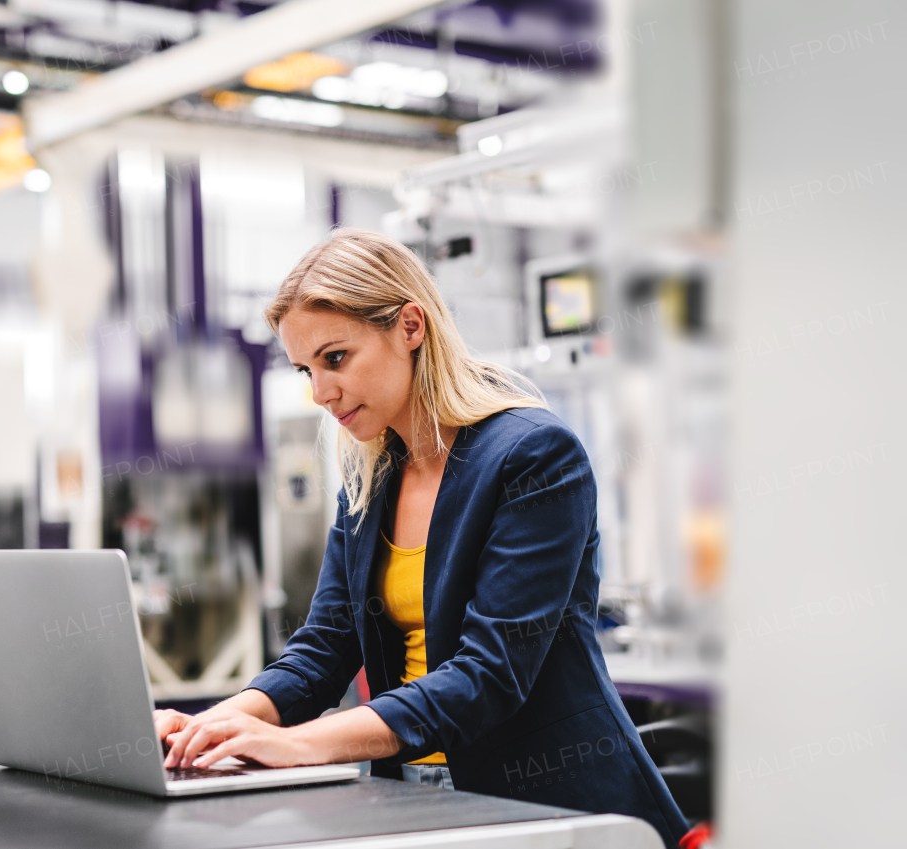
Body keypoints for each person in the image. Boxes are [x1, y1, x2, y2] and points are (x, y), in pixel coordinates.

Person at [154, 229, 690, 849]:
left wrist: (297, 745)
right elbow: (325, 648)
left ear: (410, 326)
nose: (320, 392)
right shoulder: (370, 477)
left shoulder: (532, 456)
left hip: (546, 803)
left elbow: (487, 675)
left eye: (335, 358)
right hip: (411, 796)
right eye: (306, 369)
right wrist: (208, 728)